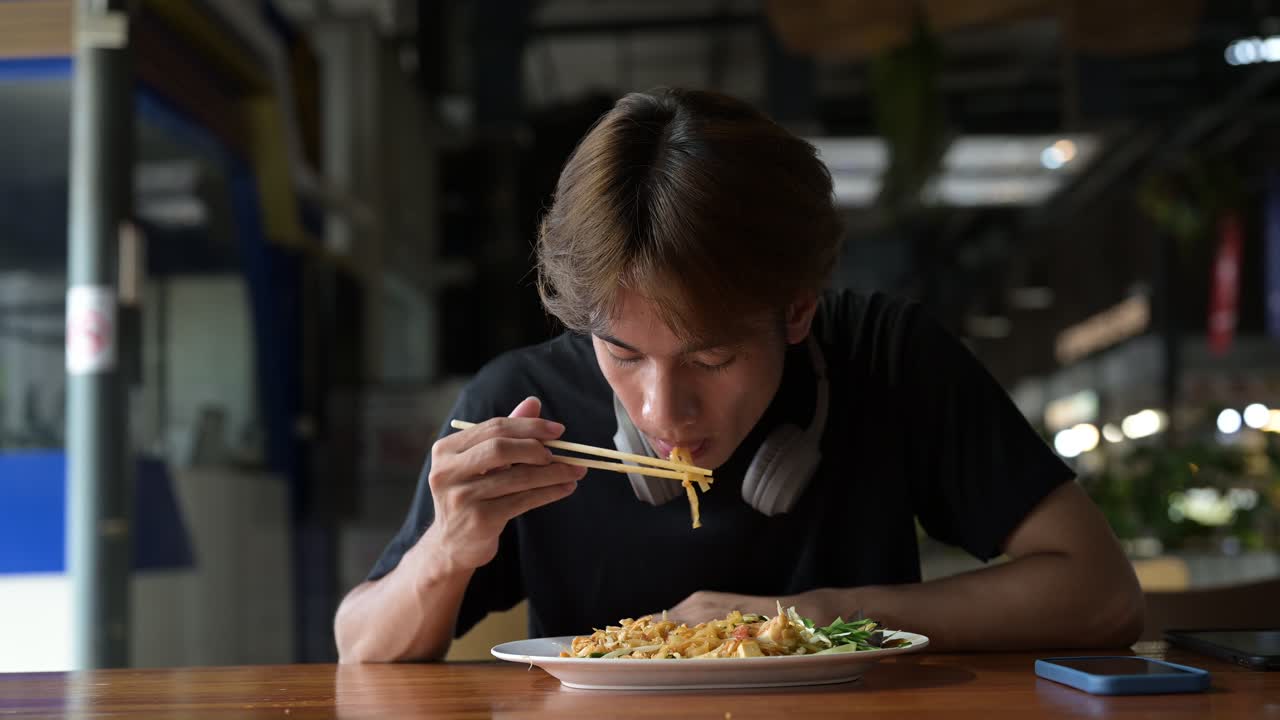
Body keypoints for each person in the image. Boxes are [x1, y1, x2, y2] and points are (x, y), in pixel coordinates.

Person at [334, 88, 1143, 663]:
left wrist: (819, 615)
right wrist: (446, 548)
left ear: (796, 313)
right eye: (622, 353)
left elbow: (1101, 596)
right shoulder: (524, 410)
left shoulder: (884, 357)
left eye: (712, 358)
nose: (663, 409)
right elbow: (359, 649)